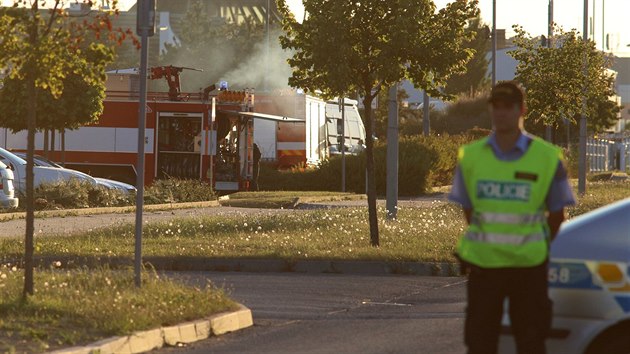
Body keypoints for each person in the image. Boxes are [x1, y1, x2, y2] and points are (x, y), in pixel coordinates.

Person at [448, 81, 575, 354]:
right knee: (481, 344)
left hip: (528, 268)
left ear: (522, 110)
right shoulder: (471, 157)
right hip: (484, 267)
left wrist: (532, 248)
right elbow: (468, 209)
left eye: (509, 107)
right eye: (496, 106)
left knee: (531, 341)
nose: (501, 112)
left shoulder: (546, 158)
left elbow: (557, 215)